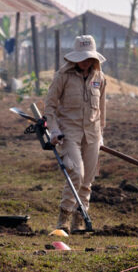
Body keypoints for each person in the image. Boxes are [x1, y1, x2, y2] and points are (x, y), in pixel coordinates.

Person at [44, 35, 107, 233]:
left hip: (93, 134)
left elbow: (102, 110)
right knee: (76, 173)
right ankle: (64, 217)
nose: (85, 61)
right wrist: (53, 130)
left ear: (94, 59)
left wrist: (101, 135)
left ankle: (79, 221)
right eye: (81, 57)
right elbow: (50, 106)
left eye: (88, 58)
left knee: (87, 179)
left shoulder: (100, 78)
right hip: (69, 132)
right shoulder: (62, 76)